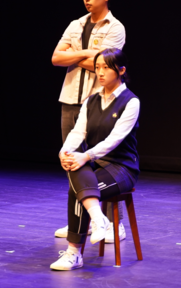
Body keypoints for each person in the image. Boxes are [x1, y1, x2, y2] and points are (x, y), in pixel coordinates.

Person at [51, 0, 128, 243]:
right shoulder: (76, 24)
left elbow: (104, 64)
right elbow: (56, 57)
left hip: (99, 102)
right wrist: (87, 54)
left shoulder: (115, 28)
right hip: (70, 99)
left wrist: (75, 55)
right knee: (71, 160)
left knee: (103, 161)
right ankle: (79, 222)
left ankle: (114, 224)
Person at [51, 48, 140, 270]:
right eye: (97, 67)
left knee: (78, 190)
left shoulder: (131, 102)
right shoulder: (91, 101)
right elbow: (78, 132)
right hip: (96, 165)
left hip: (121, 168)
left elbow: (115, 139)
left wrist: (86, 155)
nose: (99, 72)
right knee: (75, 166)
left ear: (121, 70)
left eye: (106, 68)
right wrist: (65, 151)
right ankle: (99, 219)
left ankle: (74, 253)